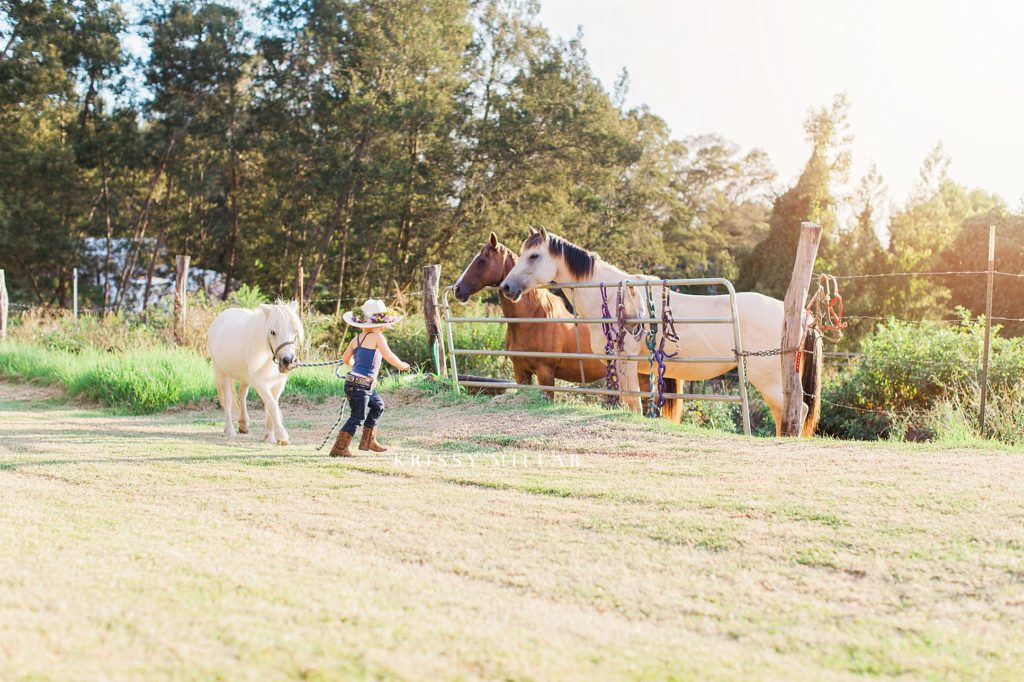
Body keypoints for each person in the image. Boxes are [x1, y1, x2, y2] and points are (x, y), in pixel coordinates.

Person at [330, 299, 411, 457]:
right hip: (361, 385)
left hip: (356, 383)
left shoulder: (357, 339)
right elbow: (388, 355)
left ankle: (368, 440)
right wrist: (402, 365)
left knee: (378, 406)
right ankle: (339, 448)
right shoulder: (378, 337)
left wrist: (353, 362)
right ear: (381, 323)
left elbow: (346, 359)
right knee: (357, 416)